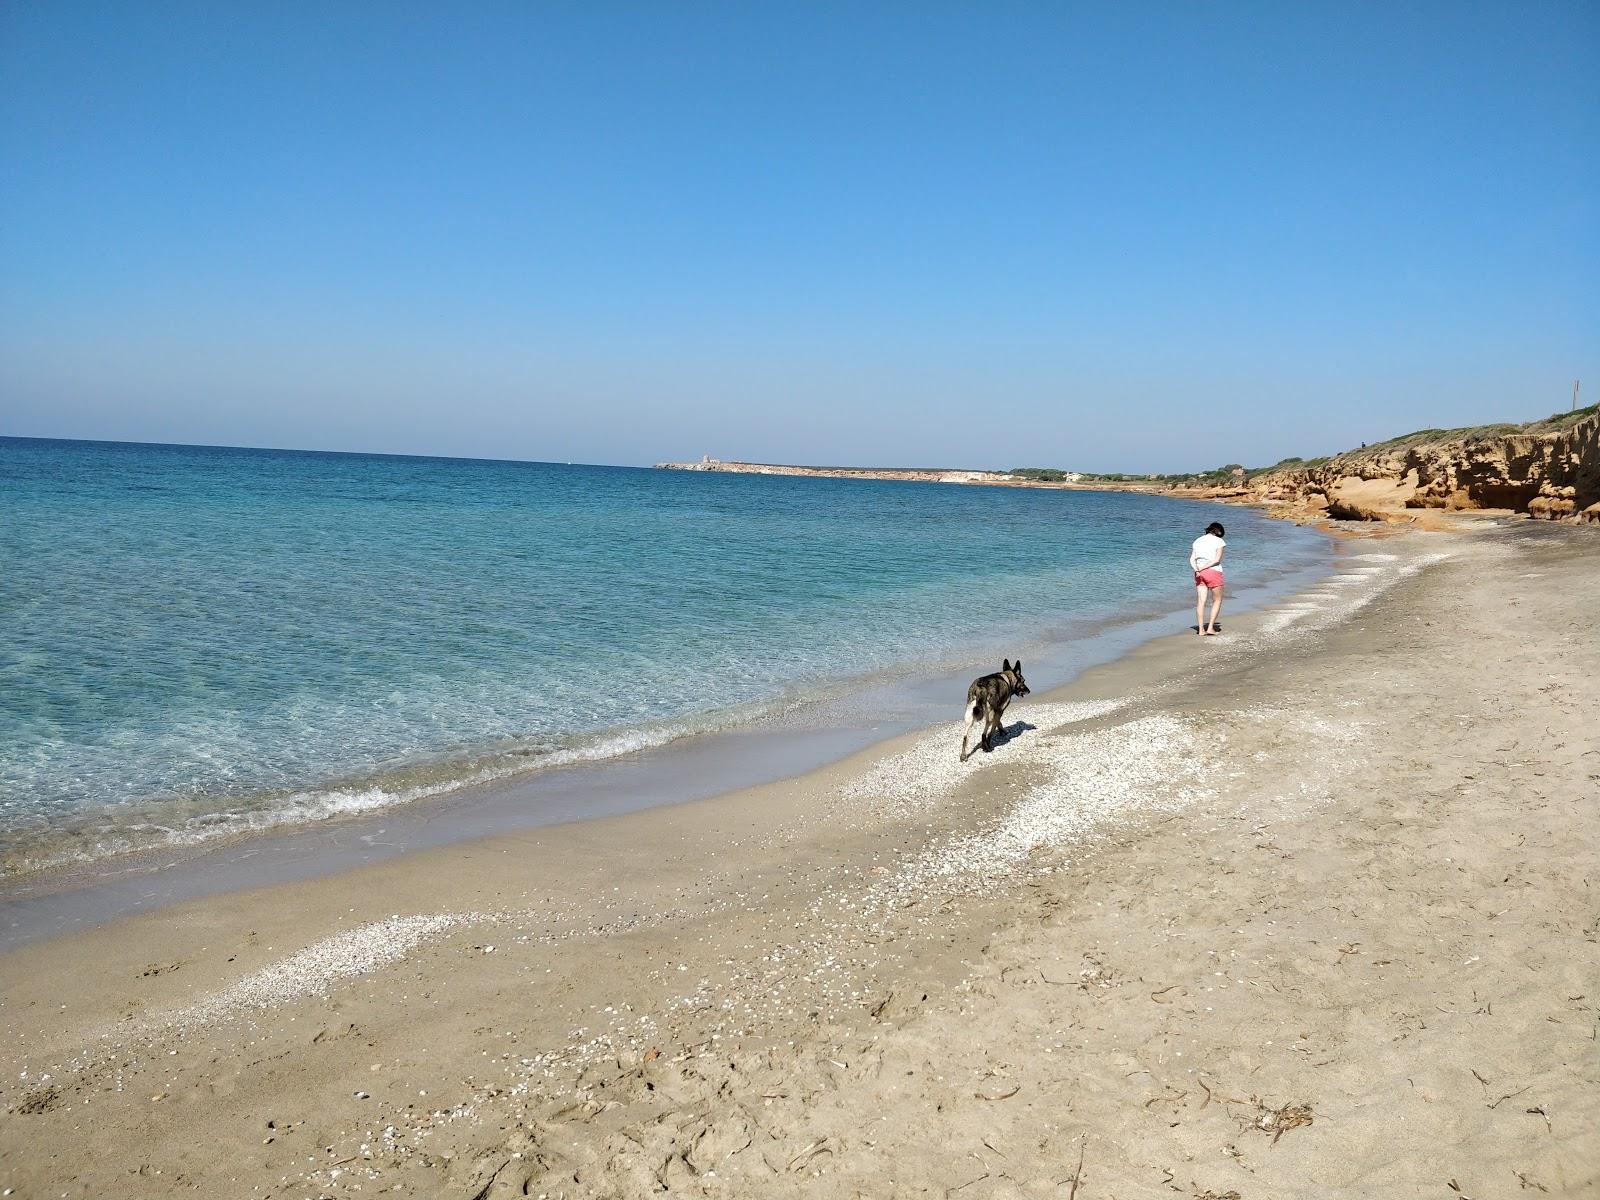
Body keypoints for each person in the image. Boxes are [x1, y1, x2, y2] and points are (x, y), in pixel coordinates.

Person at [1190, 521, 1226, 636]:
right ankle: (1210, 628)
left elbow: (1191, 560)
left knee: (1201, 602)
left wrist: (1197, 570)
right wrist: (1206, 567)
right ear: (1218, 531)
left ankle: (1201, 630)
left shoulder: (1197, 541)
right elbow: (1217, 560)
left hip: (1198, 573)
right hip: (1213, 572)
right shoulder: (1219, 541)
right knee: (1217, 600)